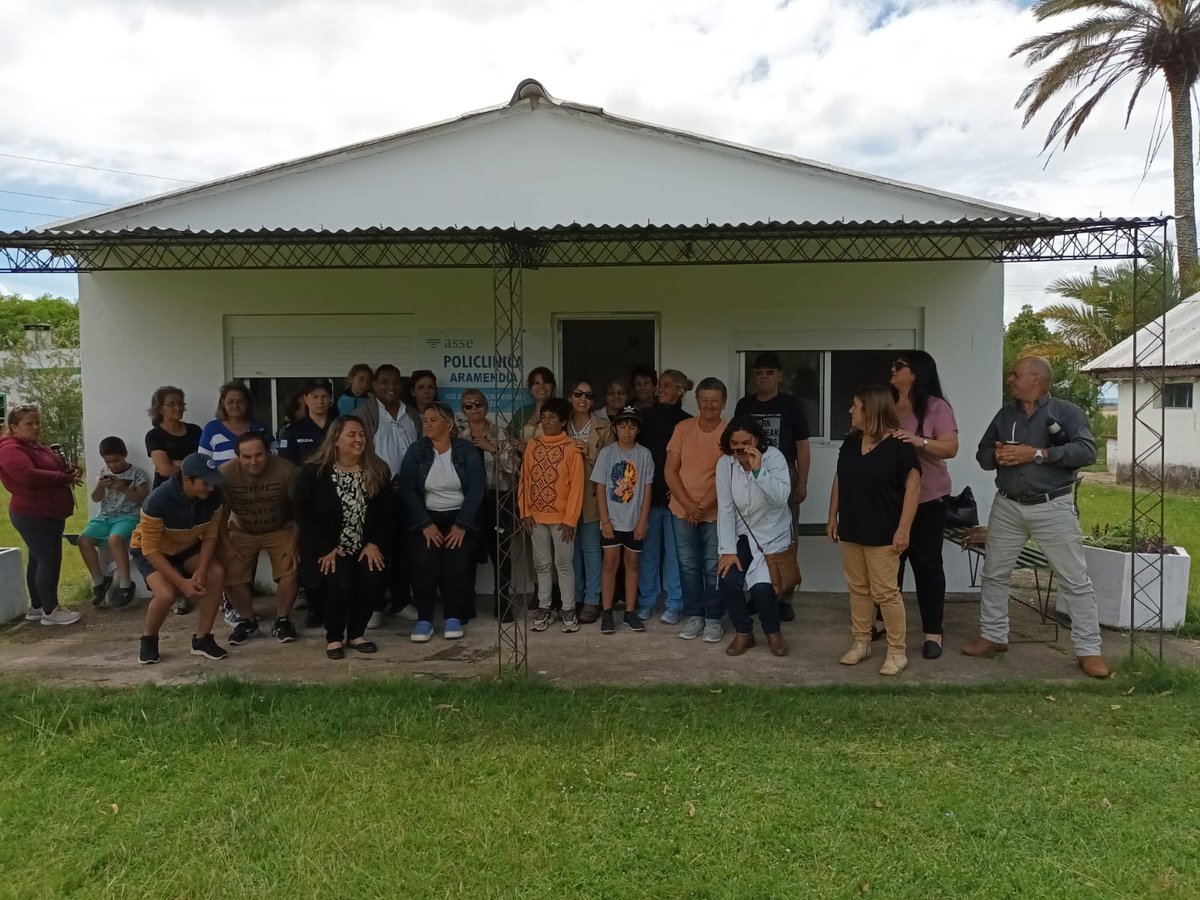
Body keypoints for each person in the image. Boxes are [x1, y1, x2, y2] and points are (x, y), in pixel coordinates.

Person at [964, 355, 1109, 678]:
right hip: (1008, 505)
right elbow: (982, 454)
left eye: (1016, 374)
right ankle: (993, 635)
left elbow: (1087, 452)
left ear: (1037, 380)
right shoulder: (1005, 415)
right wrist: (997, 455)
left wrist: (1038, 454)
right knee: (994, 573)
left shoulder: (1066, 412)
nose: (1010, 379)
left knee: (1074, 580)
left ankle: (1089, 651)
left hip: (1051, 506)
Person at [827, 385, 921, 677]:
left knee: (886, 592)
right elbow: (840, 478)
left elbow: (913, 487)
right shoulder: (851, 442)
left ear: (871, 409)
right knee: (858, 589)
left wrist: (903, 529)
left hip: (884, 531)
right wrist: (832, 516)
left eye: (855, 405)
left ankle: (897, 651)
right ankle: (861, 642)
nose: (850, 410)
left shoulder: (900, 445)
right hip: (853, 528)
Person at [293, 416, 391, 659]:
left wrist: (374, 543)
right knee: (341, 583)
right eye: (352, 435)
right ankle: (334, 637)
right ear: (335, 440)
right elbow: (303, 513)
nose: (359, 440)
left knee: (372, 580)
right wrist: (325, 548)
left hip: (365, 546)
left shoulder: (377, 470)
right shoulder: (313, 473)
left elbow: (389, 513)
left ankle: (357, 634)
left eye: (362, 435)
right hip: (328, 548)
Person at [888, 352, 959, 659]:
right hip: (890, 499)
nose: (892, 370)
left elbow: (951, 448)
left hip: (929, 498)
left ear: (915, 372)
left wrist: (918, 441)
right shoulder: (887, 405)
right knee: (890, 565)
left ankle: (933, 632)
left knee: (927, 565)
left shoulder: (935, 407)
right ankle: (886, 625)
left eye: (899, 366)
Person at [733, 351, 812, 623]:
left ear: (779, 376)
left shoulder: (791, 405)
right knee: (753, 534)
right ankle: (760, 592)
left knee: (786, 538)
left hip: (782, 473)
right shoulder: (744, 405)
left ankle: (785, 597)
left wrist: (801, 481)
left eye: (769, 372)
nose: (763, 376)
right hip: (748, 474)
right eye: (758, 372)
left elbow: (802, 445)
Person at [130, 453, 227, 663]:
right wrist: (182, 582)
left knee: (215, 572)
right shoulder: (157, 501)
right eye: (205, 483)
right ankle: (149, 638)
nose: (211, 488)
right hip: (152, 550)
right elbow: (150, 549)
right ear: (186, 480)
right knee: (166, 594)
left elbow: (211, 536)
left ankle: (203, 639)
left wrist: (201, 569)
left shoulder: (214, 496)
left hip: (186, 545)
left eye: (213, 482)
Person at [400, 403, 486, 641]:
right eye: (425, 420)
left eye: (433, 420)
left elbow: (477, 488)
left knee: (456, 567)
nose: (427, 424)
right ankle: (425, 620)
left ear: (448, 424)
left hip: (460, 517)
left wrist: (461, 525)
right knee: (424, 567)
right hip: (426, 518)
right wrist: (425, 524)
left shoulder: (466, 450)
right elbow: (407, 489)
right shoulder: (417, 450)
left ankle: (453, 617)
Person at [716, 416, 792, 657]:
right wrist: (727, 550)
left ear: (756, 440)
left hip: (772, 535)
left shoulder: (774, 458)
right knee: (728, 579)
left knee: (762, 588)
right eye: (734, 443)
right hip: (742, 534)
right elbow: (726, 508)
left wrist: (758, 471)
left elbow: (780, 497)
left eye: (745, 442)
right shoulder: (725, 464)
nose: (739, 449)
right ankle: (743, 633)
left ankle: (773, 633)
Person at [0, 405, 83, 625]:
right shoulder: (9, 449)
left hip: (48, 511)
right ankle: (51, 610)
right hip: (33, 513)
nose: (36, 427)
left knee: (38, 559)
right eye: (29, 423)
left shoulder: (34, 446)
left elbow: (54, 468)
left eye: (38, 422)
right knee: (49, 559)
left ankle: (37, 606)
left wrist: (70, 470)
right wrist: (62, 478)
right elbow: (27, 476)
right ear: (14, 427)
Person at [219, 433, 301, 645]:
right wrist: (226, 545)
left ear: (268, 452)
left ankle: (282, 620)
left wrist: (293, 543)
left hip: (279, 527)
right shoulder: (225, 474)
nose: (253, 461)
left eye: (259, 455)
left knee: (290, 569)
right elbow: (219, 515)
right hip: (241, 529)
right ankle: (247, 621)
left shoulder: (287, 470)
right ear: (237, 456)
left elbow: (302, 511)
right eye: (246, 457)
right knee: (229, 572)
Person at [665, 377, 728, 644]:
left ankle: (714, 619)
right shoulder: (682, 428)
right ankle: (694, 616)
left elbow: (729, 475)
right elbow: (670, 470)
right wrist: (690, 506)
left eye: (715, 400)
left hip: (715, 512)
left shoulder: (729, 431)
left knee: (713, 566)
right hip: (682, 510)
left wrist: (703, 506)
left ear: (724, 403)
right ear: (697, 401)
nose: (709, 405)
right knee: (688, 565)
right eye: (705, 400)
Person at [358, 364, 421, 627]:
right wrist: (383, 479)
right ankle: (374, 605)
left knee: (405, 549)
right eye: (384, 382)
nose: (391, 387)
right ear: (374, 385)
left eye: (395, 382)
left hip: (408, 491)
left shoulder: (413, 415)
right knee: (377, 548)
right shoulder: (365, 414)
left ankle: (400, 600)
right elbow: (359, 451)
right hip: (378, 491)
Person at [519, 397, 584, 633]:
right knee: (542, 564)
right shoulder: (533, 446)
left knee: (564, 564)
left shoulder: (571, 449)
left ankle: (568, 608)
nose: (546, 422)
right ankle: (544, 606)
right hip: (536, 518)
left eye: (552, 418)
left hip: (562, 521)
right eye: (543, 417)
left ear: (564, 421)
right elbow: (524, 480)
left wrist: (570, 520)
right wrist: (525, 512)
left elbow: (577, 487)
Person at [458, 388, 520, 621]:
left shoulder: (501, 432)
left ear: (486, 406)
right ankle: (466, 602)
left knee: (501, 554)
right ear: (463, 410)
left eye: (478, 404)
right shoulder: (459, 438)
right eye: (468, 406)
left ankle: (503, 602)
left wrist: (491, 448)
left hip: (498, 499)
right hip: (469, 503)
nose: (474, 409)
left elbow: (516, 468)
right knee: (468, 553)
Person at [635, 368, 692, 623]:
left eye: (667, 385)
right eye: (660, 384)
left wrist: (680, 488)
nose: (660, 389)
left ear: (680, 390)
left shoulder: (688, 422)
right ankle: (647, 601)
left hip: (675, 498)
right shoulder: (643, 417)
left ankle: (675, 603)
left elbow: (690, 462)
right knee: (648, 553)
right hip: (648, 496)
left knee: (675, 554)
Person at [591, 406, 654, 634]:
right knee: (609, 563)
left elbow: (647, 490)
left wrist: (642, 521)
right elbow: (599, 486)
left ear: (637, 430)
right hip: (612, 520)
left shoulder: (644, 455)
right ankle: (607, 612)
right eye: (622, 426)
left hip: (634, 521)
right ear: (615, 428)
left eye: (632, 426)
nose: (627, 431)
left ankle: (629, 611)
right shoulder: (607, 453)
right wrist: (605, 520)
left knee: (633, 564)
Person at [558, 379, 613, 624]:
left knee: (590, 549)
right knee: (569, 550)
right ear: (570, 396)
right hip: (563, 496)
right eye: (578, 393)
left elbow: (615, 461)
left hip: (591, 495)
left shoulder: (604, 426)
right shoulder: (559, 423)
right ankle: (574, 597)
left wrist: (589, 452)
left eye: (589, 396)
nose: (583, 399)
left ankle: (592, 599)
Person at [78, 436, 150, 608]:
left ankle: (126, 584)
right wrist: (100, 486)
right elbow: (95, 499)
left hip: (129, 516)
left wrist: (124, 488)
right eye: (108, 461)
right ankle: (99, 582)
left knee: (115, 539)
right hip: (105, 517)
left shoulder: (136, 473)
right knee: (84, 540)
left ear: (125, 455)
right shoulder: (104, 472)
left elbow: (143, 498)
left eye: (116, 460)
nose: (113, 465)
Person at [145, 386, 202, 488]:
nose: (178, 408)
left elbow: (203, 461)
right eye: (171, 404)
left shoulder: (195, 430)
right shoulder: (154, 435)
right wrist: (192, 468)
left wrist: (176, 463)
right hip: (167, 489)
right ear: (160, 409)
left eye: (180, 403)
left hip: (195, 489)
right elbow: (165, 470)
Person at [198, 381, 268, 464]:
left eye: (240, 401)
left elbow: (275, 453)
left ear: (247, 403)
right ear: (223, 403)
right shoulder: (212, 429)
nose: (235, 406)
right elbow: (202, 462)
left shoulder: (259, 428)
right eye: (230, 402)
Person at [276, 377, 334, 465]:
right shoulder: (292, 430)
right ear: (306, 399)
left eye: (324, 396)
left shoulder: (340, 426)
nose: (320, 401)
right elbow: (286, 464)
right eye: (315, 397)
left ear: (330, 399)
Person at [508, 367, 556, 444]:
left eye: (546, 382)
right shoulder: (523, 411)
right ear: (530, 389)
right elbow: (507, 436)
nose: (541, 386)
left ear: (552, 387)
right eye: (537, 383)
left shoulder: (560, 410)